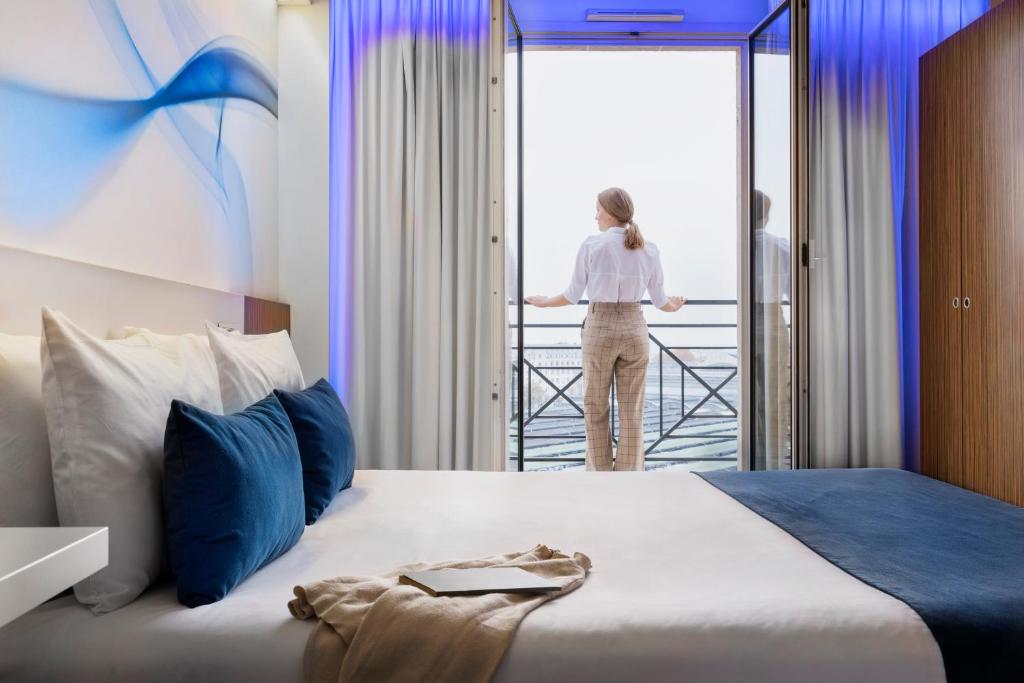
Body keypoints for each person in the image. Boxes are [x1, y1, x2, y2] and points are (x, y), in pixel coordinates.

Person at [526, 187, 685, 471]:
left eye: (598, 209)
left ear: (610, 213)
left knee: (596, 407)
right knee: (632, 410)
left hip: (600, 328)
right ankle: (628, 478)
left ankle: (600, 478)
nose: (595, 215)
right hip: (635, 328)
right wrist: (676, 304)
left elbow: (572, 295)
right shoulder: (649, 248)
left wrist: (543, 303)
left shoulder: (592, 245)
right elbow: (661, 302)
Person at [752, 189, 791, 469]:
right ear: (766, 215)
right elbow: (794, 290)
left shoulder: (741, 246)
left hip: (749, 318)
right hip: (773, 317)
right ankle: (774, 461)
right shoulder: (780, 246)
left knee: (751, 395)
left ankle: (753, 458)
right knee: (775, 395)